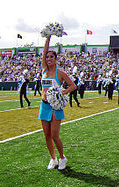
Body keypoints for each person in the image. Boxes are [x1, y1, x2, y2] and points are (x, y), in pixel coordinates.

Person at [39, 35, 76, 170]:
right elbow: (43, 52)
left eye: (51, 57)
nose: (48, 59)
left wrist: (61, 93)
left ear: (56, 59)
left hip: (55, 107)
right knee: (47, 136)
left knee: (55, 135)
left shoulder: (60, 73)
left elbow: (73, 86)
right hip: (44, 105)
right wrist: (48, 38)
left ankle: (62, 157)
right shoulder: (44, 69)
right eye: (47, 57)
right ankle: (53, 159)